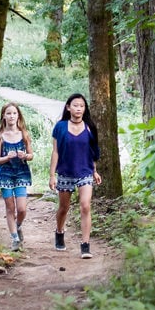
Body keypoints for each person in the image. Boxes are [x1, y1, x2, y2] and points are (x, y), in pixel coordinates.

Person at [49, 93, 101, 258]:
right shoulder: (60, 127)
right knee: (64, 208)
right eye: (75, 105)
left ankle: (85, 245)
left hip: (85, 172)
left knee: (85, 205)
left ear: (85, 109)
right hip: (65, 172)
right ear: (68, 107)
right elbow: (55, 152)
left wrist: (94, 171)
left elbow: (93, 152)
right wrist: (52, 175)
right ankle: (59, 231)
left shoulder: (90, 127)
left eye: (82, 106)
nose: (79, 108)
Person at [0, 102, 33, 252]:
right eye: (8, 113)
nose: (11, 116)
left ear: (18, 116)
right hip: (5, 175)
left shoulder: (24, 134)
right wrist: (7, 158)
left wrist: (25, 155)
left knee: (22, 209)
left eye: (14, 113)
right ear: (4, 116)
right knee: (10, 208)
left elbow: (31, 155)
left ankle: (18, 226)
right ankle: (15, 239)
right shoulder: (0, 137)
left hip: (21, 173)